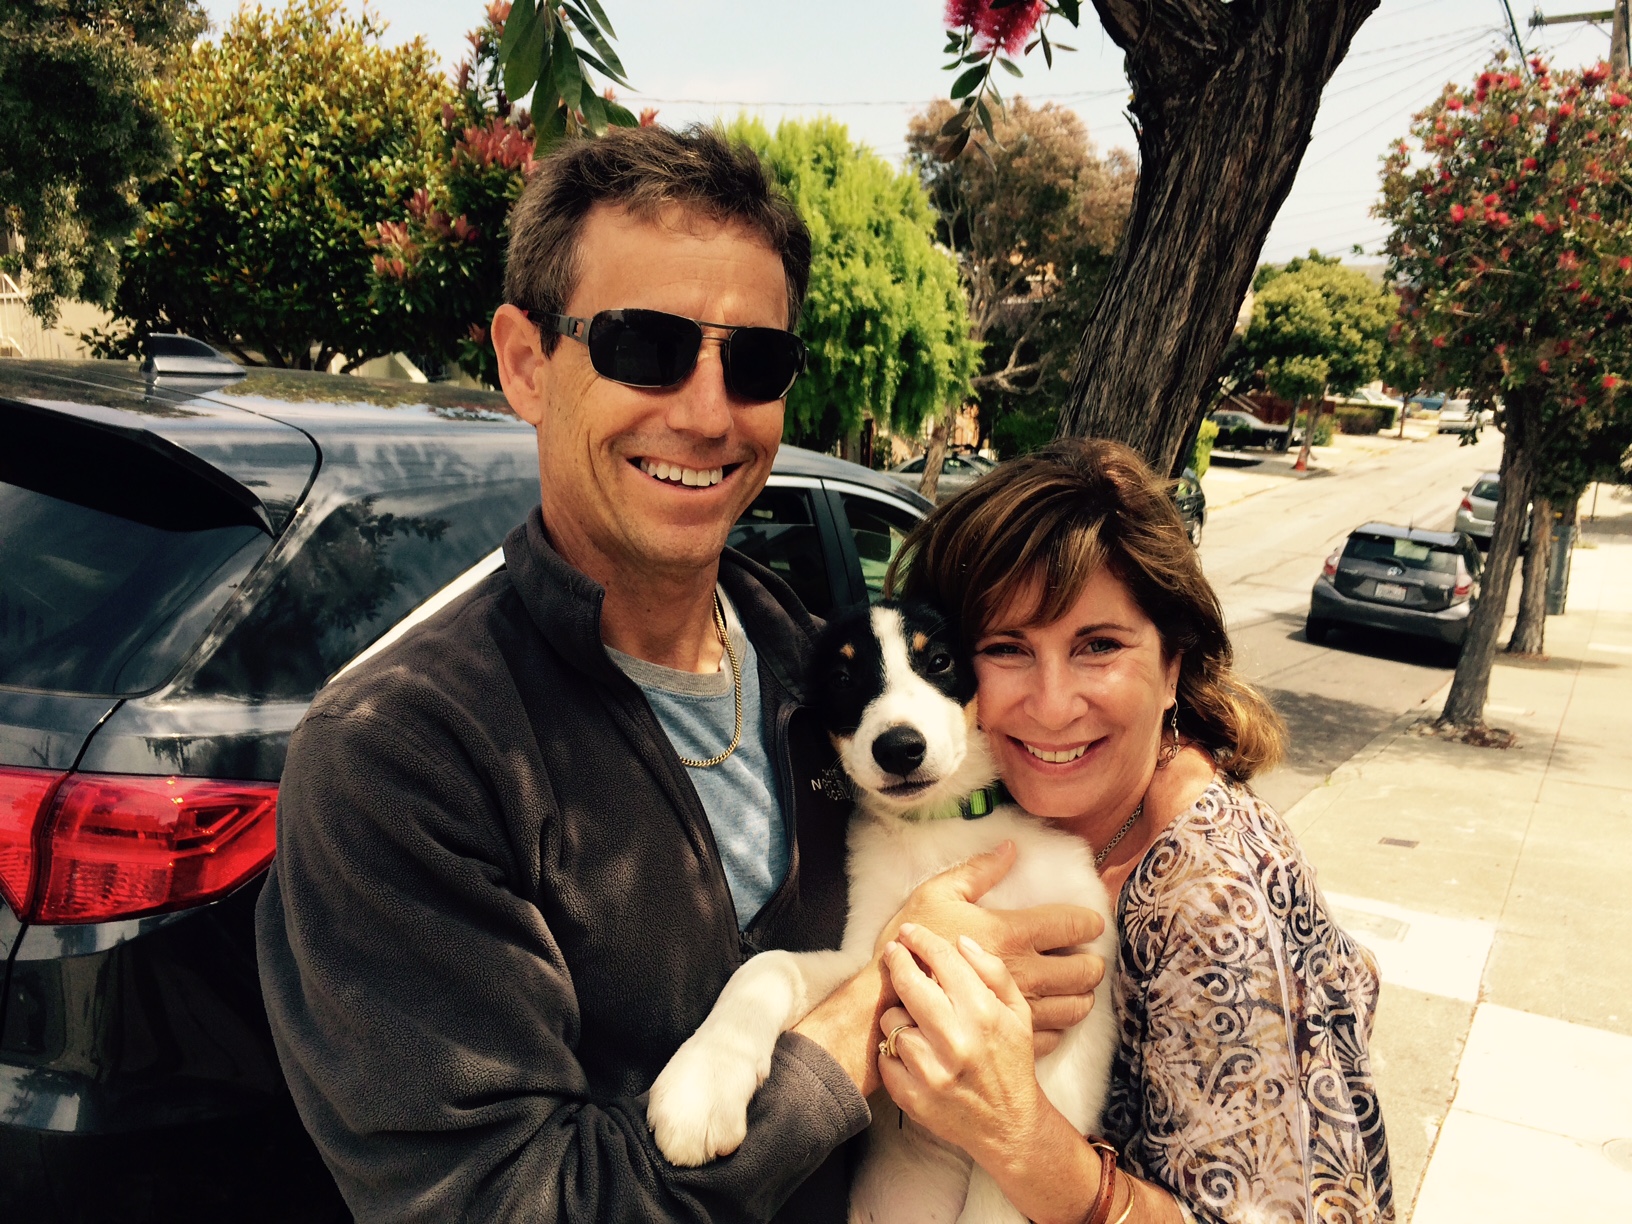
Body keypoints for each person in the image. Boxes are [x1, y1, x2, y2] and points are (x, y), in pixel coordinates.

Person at [254, 124, 1104, 1223]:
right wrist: (877, 1012)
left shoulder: (816, 669)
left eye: (753, 362)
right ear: (525, 363)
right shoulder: (401, 754)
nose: (706, 413)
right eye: (644, 345)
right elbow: (505, 1203)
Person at [881, 439, 1394, 1224]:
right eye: (1007, 649)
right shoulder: (1015, 818)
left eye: (1099, 647)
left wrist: (1023, 1138)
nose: (1053, 705)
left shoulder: (1210, 894)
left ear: (1173, 665)